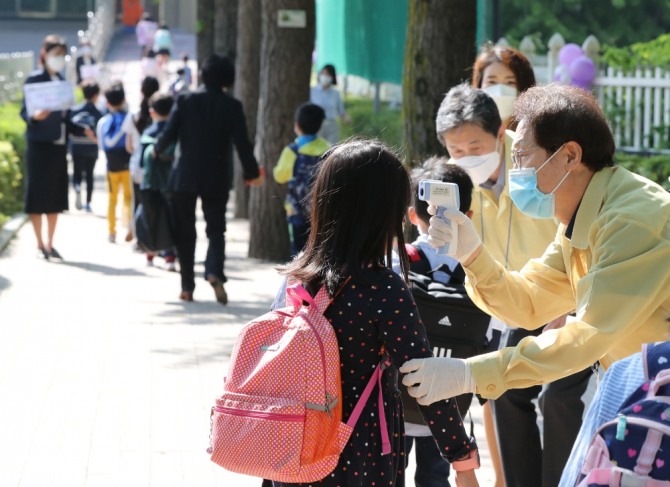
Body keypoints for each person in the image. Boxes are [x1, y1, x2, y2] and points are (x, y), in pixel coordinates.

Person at [401, 85, 670, 486]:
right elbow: (525, 304)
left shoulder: (631, 219)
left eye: (523, 156)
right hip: (636, 383)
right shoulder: (584, 218)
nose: (517, 171)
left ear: (570, 156)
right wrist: (472, 255)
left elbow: (584, 336)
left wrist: (469, 373)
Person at [272, 140, 480, 487]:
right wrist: (462, 460)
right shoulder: (383, 289)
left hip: (292, 450)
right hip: (358, 453)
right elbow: (425, 379)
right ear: (383, 213)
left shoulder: (296, 278)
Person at [471, 45, 594, 487]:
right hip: (513, 296)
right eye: (491, 82)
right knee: (503, 390)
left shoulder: (543, 152)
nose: (500, 90)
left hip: (558, 291)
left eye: (510, 82)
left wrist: (562, 300)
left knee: (560, 395)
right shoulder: (475, 152)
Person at [153, 54, 264, 303]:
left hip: (184, 175)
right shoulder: (232, 106)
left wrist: (157, 150)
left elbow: (168, 134)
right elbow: (242, 145)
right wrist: (252, 173)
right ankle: (214, 271)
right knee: (216, 229)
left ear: (202, 75)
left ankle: (187, 287)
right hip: (216, 176)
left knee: (184, 230)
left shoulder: (184, 100)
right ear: (227, 78)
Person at [396, 158, 479, 487]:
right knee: (435, 478)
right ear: (467, 216)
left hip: (396, 404)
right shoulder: (477, 270)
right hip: (450, 406)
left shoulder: (396, 262)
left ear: (411, 215)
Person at [21, 34, 93, 261]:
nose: (59, 59)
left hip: (59, 147)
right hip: (39, 145)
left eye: (62, 55)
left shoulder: (62, 82)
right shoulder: (34, 80)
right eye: (55, 55)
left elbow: (66, 119)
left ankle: (51, 243)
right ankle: (39, 243)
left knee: (55, 194)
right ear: (44, 54)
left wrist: (82, 130)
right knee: (36, 193)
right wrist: (36, 117)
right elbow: (26, 113)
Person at [272, 102, 330, 256]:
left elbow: (280, 176)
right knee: (318, 250)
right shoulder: (329, 150)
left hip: (296, 210)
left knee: (298, 250)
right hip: (321, 211)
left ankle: (298, 279)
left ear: (297, 125)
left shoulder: (292, 151)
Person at [137, 93, 177, 270]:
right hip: (170, 183)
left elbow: (140, 162)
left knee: (149, 216)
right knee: (169, 219)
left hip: (150, 183)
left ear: (152, 112)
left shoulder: (147, 133)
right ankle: (170, 256)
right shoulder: (174, 133)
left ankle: (150, 254)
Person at [97, 81, 132, 243]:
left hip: (111, 167)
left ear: (107, 102)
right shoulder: (129, 119)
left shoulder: (104, 122)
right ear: (124, 100)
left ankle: (112, 231)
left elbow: (102, 145)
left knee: (112, 199)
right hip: (128, 165)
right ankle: (129, 227)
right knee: (129, 198)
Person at [122, 75, 160, 221]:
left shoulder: (133, 117)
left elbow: (129, 146)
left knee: (137, 202)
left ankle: (139, 237)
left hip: (137, 166)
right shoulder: (162, 116)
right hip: (158, 165)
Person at [69, 80, 104, 212]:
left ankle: (77, 189)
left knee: (77, 174)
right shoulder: (99, 113)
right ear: (96, 95)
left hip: (77, 146)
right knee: (90, 174)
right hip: (91, 148)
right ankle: (88, 203)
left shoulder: (74, 110)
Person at [310, 64, 351, 144]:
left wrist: (347, 119)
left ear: (332, 77)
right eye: (323, 74)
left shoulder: (335, 93)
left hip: (332, 126)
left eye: (328, 74)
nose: (325, 76)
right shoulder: (312, 91)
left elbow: (341, 111)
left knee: (331, 151)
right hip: (317, 125)